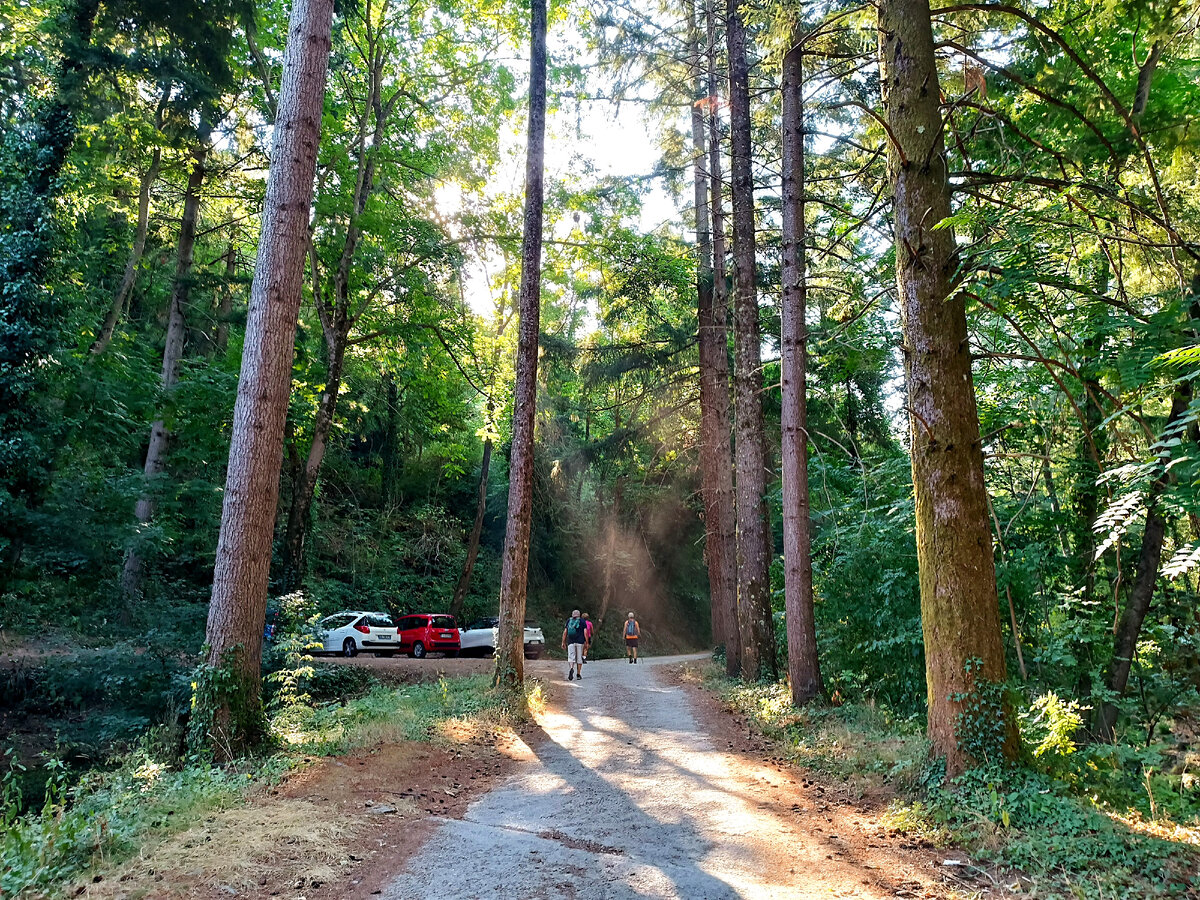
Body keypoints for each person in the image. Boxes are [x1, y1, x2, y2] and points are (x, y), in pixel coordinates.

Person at [562, 609, 586, 681]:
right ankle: (578, 674)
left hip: (570, 642)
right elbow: (585, 632)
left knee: (571, 657)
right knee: (579, 658)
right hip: (580, 642)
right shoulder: (582, 621)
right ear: (579, 615)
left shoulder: (569, 620)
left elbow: (565, 632)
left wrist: (563, 642)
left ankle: (571, 668)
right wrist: (587, 642)